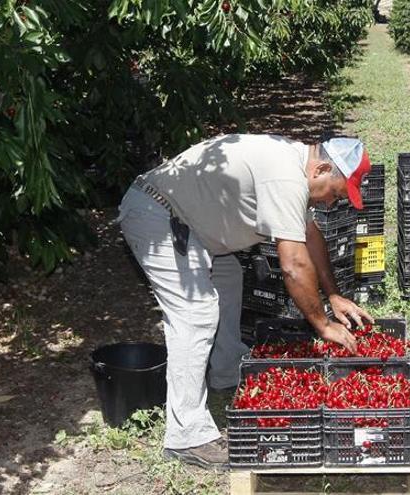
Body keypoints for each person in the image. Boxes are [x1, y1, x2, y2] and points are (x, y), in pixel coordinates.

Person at [116, 134, 375, 471]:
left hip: (195, 226)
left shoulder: (297, 168)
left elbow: (310, 237)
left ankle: (226, 372)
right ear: (322, 169)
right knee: (195, 313)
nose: (330, 204)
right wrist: (322, 324)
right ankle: (186, 436)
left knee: (228, 278)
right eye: (335, 194)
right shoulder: (285, 176)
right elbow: (293, 266)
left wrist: (334, 294)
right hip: (160, 215)